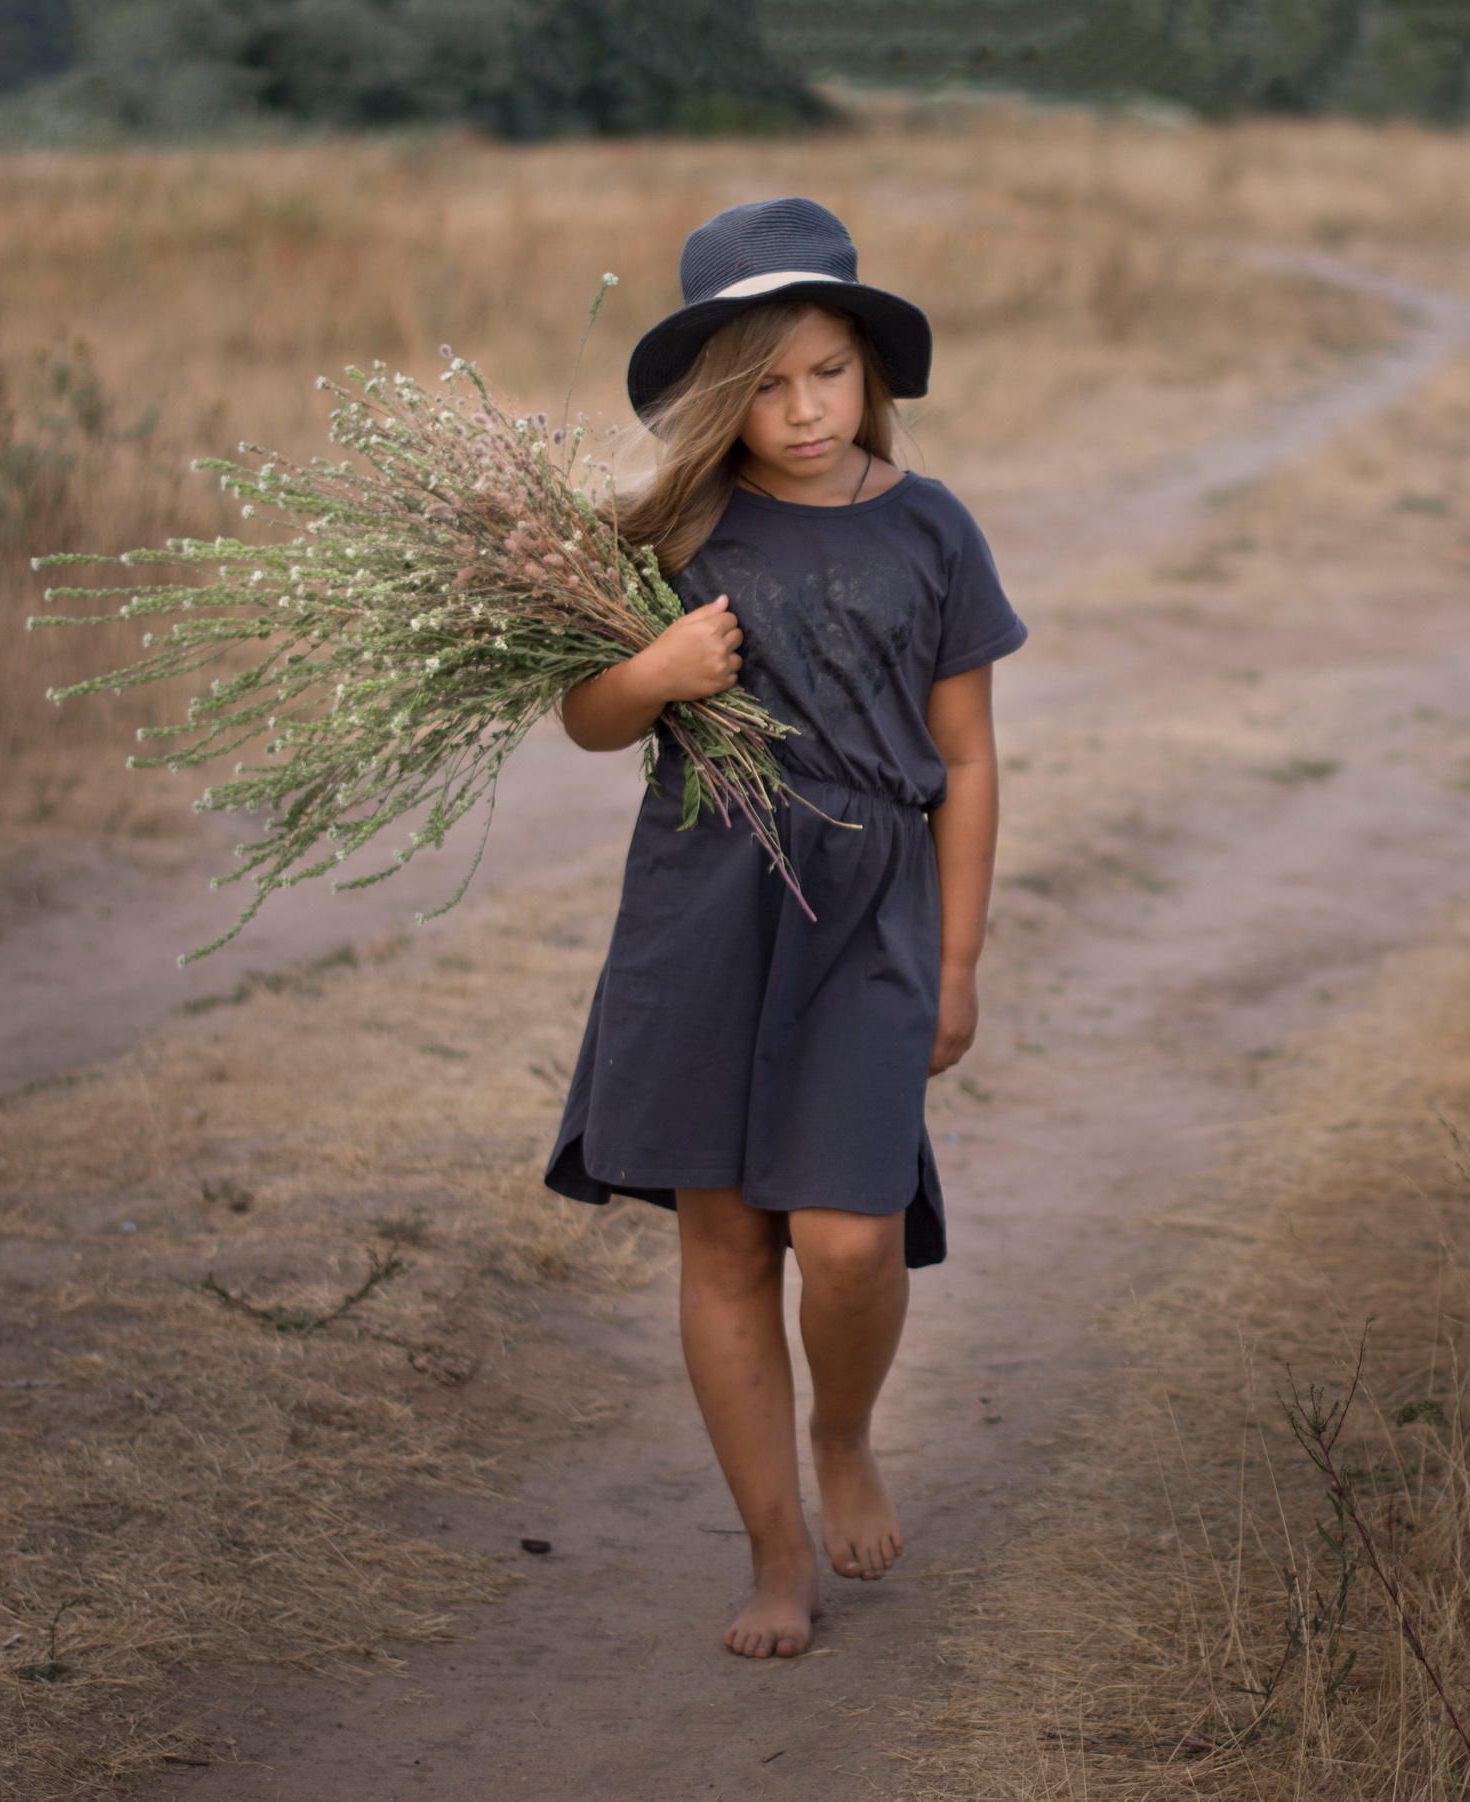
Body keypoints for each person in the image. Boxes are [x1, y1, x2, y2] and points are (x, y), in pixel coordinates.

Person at [542, 198, 1024, 1659]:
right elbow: (583, 719)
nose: (802, 409)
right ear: (715, 395)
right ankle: (772, 1554)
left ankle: (848, 1435)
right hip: (705, 902)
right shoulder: (671, 529)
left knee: (853, 1238)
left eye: (825, 370)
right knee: (728, 1241)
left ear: (866, 364)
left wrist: (956, 961)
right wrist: (658, 668)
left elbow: (973, 758)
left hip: (870, 911)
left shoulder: (932, 527)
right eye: (762, 383)